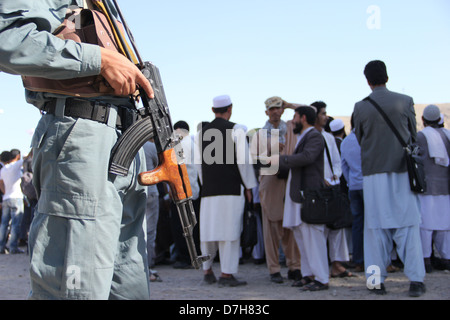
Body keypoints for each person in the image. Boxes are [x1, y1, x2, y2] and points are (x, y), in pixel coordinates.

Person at [0, 0, 155, 299]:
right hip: (81, 136)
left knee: (128, 285)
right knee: (75, 288)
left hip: (123, 137)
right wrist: (97, 60)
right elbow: (8, 38)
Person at [353, 60, 426, 297]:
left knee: (375, 230)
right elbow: (413, 135)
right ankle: (416, 281)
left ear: (367, 80)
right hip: (403, 172)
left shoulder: (361, 107)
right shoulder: (405, 101)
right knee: (408, 227)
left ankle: (375, 281)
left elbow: (361, 138)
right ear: (387, 76)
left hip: (374, 175)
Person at [195, 95, 257, 287]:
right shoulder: (236, 129)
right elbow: (243, 161)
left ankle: (207, 271)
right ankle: (226, 274)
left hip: (209, 190)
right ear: (230, 109)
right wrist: (249, 186)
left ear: (213, 110)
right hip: (231, 188)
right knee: (229, 233)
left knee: (208, 232)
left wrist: (206, 183)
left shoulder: (201, 133)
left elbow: (198, 165)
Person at [275, 105, 329, 291]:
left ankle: (322, 278)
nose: (292, 121)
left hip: (309, 195)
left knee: (313, 237)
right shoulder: (303, 137)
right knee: (301, 235)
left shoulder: (314, 136)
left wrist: (281, 160)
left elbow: (307, 157)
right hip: (298, 194)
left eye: (295, 117)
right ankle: (308, 274)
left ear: (303, 118)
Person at [254, 97, 301, 284]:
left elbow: (310, 111)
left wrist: (289, 104)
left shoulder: (291, 127)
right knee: (271, 227)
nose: (275, 112)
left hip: (290, 178)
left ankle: (294, 266)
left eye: (278, 108)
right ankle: (274, 269)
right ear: (266, 112)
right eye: (271, 109)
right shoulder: (259, 134)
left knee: (291, 225)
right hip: (270, 180)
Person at [311, 101, 352, 278]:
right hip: (314, 189)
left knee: (337, 227)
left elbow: (336, 161)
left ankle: (337, 264)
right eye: (322, 113)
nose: (325, 117)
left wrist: (333, 177)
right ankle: (318, 270)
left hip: (331, 187)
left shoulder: (328, 137)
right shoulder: (306, 136)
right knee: (319, 231)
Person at [416, 105, 450, 272]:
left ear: (423, 120)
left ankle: (426, 260)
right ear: (439, 119)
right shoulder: (448, 135)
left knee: (426, 226)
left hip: (427, 187)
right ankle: (446, 258)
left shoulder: (421, 136)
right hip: (446, 188)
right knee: (444, 226)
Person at [170, 120, 201, 269]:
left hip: (180, 192)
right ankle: (194, 256)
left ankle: (184, 258)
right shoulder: (195, 144)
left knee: (180, 227)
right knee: (193, 226)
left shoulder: (177, 144)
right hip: (194, 191)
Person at [340, 114, 364, 272]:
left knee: (357, 224)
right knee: (374, 224)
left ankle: (358, 259)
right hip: (370, 186)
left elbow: (344, 167)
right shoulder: (368, 139)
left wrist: (351, 182)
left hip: (354, 186)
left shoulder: (346, 141)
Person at [143, 139, 162, 281]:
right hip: (150, 190)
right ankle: (147, 268)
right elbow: (160, 165)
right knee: (149, 233)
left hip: (132, 192)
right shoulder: (150, 146)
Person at [0, 150, 25, 254]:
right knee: (15, 224)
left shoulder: (4, 169)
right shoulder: (16, 165)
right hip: (16, 198)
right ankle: (13, 247)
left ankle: (1, 247)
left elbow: (1, 183)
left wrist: (5, 192)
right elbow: (27, 158)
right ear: (17, 156)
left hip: (6, 198)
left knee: (4, 224)